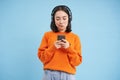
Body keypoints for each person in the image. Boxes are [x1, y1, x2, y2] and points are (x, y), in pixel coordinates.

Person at [38, 5, 82, 80]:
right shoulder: (47, 35)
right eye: (57, 19)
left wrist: (69, 48)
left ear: (69, 19)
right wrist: (53, 47)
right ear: (53, 20)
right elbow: (42, 58)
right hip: (49, 74)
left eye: (64, 18)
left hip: (68, 76)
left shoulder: (75, 37)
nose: (61, 22)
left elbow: (77, 62)